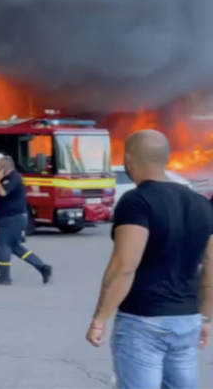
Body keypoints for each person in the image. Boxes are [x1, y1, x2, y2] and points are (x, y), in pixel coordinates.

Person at [87, 130, 213, 387]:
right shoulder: (202, 204)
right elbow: (211, 265)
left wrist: (100, 320)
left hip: (143, 321)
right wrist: (205, 317)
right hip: (187, 320)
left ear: (129, 160)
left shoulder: (136, 201)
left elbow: (124, 266)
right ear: (165, 159)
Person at [0, 154, 51, 285]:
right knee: (16, 247)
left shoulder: (14, 178)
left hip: (12, 218)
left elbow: (2, 193)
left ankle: (4, 277)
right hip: (9, 218)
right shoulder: (4, 178)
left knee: (2, 245)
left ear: (7, 166)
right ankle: (42, 267)